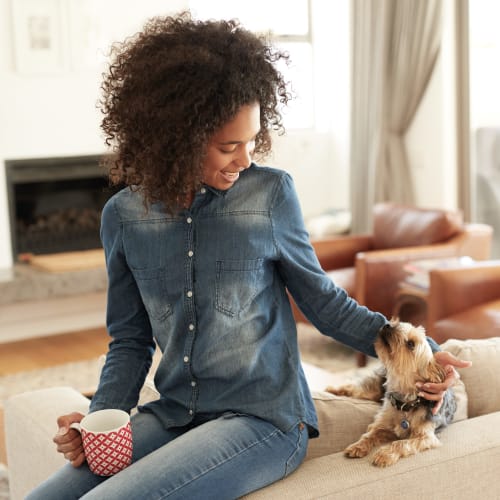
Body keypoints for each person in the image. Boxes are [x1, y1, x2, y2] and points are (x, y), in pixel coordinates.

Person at [27, 12, 470, 500]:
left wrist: (419, 357)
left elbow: (322, 301)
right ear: (175, 140)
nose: (245, 158)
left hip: (265, 420)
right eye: (228, 146)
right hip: (175, 412)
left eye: (252, 139)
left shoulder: (271, 195)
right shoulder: (123, 217)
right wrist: (99, 420)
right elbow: (130, 341)